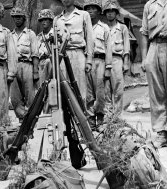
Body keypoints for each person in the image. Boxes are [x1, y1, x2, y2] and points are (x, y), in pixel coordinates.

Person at [140, 0, 167, 148]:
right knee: (157, 94)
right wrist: (144, 58)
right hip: (154, 46)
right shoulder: (149, 5)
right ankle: (161, 133)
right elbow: (144, 33)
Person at [54, 0, 94, 102]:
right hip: (62, 56)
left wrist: (89, 60)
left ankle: (81, 115)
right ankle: (66, 117)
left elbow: (89, 37)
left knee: (79, 88)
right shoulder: (57, 19)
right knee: (63, 87)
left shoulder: (83, 15)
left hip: (78, 53)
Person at [84, 0, 112, 129]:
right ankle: (90, 120)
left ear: (99, 11)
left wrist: (108, 67)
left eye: (93, 8)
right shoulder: (83, 27)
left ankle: (100, 118)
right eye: (88, 8)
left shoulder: (104, 27)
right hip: (86, 62)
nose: (90, 11)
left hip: (100, 61)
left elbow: (109, 48)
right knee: (88, 93)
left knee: (100, 93)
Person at [9, 6, 39, 123]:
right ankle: (22, 118)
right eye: (15, 17)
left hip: (27, 65)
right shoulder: (9, 35)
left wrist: (35, 71)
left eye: (19, 17)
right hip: (13, 66)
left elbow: (35, 54)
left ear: (24, 18)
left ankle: (31, 119)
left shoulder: (30, 34)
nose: (17, 19)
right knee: (15, 96)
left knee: (30, 95)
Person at [103, 1, 130, 116]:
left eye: (112, 11)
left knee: (118, 90)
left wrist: (126, 63)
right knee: (105, 91)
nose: (110, 14)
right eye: (108, 12)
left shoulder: (122, 28)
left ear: (116, 13)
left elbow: (127, 46)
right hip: (104, 61)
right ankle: (108, 117)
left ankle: (117, 117)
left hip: (117, 60)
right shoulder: (102, 27)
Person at [37, 9, 55, 86]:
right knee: (41, 87)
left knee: (52, 86)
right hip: (41, 63)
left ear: (51, 21)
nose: (43, 22)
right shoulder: (38, 37)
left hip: (52, 61)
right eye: (41, 20)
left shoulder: (55, 34)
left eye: (46, 19)